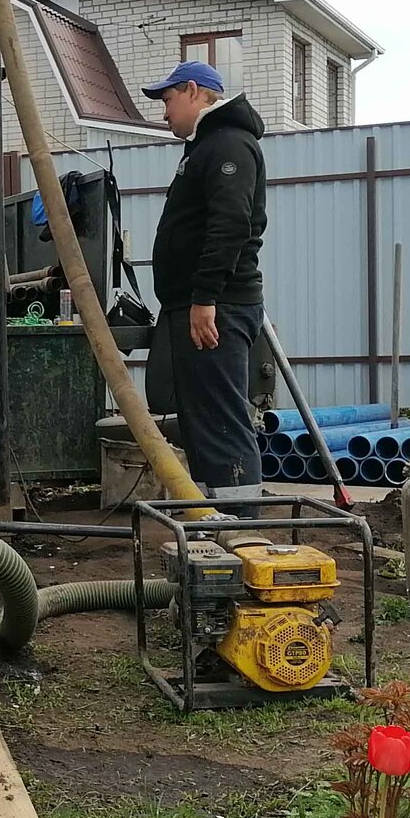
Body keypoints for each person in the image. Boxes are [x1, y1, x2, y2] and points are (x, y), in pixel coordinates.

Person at [142, 61, 267, 512]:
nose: (163, 111)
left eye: (168, 99)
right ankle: (216, 525)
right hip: (197, 307)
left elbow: (230, 224)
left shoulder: (229, 144)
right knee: (202, 423)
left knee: (221, 420)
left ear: (194, 91)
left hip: (217, 308)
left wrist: (205, 298)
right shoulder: (205, 147)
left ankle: (242, 528)